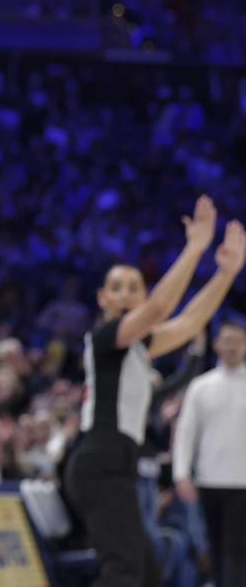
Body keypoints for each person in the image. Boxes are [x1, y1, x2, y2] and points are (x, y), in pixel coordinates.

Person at [63, 198, 245, 587]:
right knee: (125, 572)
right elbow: (160, 309)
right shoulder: (104, 337)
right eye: (116, 288)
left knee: (146, 575)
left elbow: (190, 321)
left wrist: (226, 273)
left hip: (117, 466)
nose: (125, 294)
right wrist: (195, 248)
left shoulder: (139, 348)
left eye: (134, 288)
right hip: (99, 461)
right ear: (102, 298)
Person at [173, 322, 246, 587]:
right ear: (216, 344)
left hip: (243, 482)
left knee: (237, 550)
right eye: (227, 340)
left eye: (237, 341)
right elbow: (186, 432)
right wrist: (181, 473)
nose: (232, 346)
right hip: (209, 480)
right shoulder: (201, 386)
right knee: (213, 546)